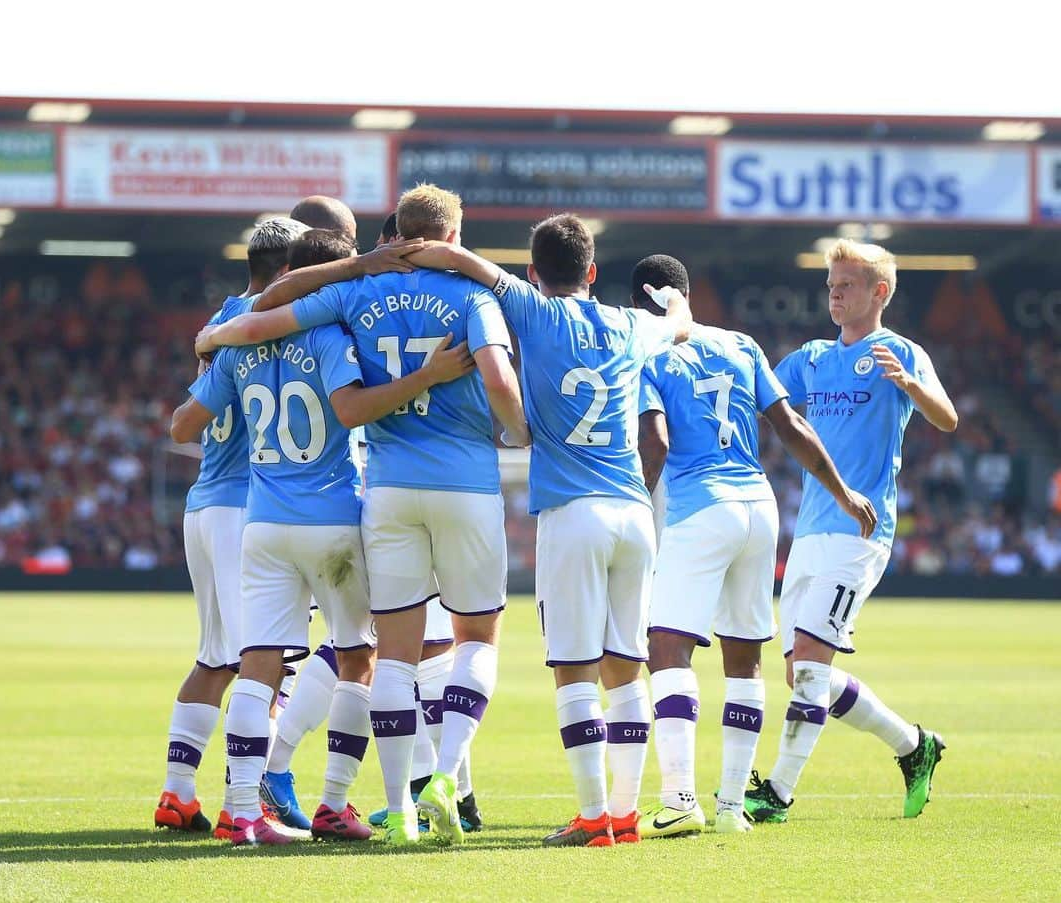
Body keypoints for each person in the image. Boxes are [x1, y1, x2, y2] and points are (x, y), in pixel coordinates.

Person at [195, 184, 528, 846]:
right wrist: (521, 432)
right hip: (453, 485)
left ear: (392, 235)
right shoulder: (474, 296)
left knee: (386, 653)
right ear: (453, 235)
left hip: (381, 492)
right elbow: (495, 375)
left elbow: (261, 319)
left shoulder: (353, 296)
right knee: (454, 642)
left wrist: (213, 336)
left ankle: (396, 802)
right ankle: (439, 782)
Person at [406, 216, 693, 847]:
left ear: (534, 272)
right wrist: (676, 303)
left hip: (573, 513)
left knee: (573, 669)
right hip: (634, 512)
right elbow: (676, 326)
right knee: (626, 667)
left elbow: (469, 267)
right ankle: (622, 813)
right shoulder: (627, 324)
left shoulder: (533, 311)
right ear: (592, 272)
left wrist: (418, 245)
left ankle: (592, 816)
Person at [631, 254, 876, 836]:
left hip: (699, 507)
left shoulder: (646, 352)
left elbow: (657, 441)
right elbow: (791, 424)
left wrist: (636, 501)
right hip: (758, 508)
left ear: (644, 303)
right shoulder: (740, 345)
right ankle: (732, 808)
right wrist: (842, 492)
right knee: (745, 658)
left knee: (667, 649)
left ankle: (679, 798)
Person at [746, 238, 958, 824]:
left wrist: (912, 388)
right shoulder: (811, 358)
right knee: (803, 673)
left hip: (861, 532)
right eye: (831, 285)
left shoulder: (901, 352)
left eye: (846, 286)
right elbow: (757, 389)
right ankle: (915, 747)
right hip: (809, 531)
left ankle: (778, 793)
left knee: (811, 666)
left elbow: (948, 416)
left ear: (878, 292)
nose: (834, 294)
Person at [153, 217, 309, 837]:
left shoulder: (223, 319)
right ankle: (245, 806)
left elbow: (184, 424)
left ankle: (177, 793)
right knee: (265, 664)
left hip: (205, 503)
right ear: (287, 270)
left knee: (214, 658)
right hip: (252, 508)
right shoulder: (268, 325)